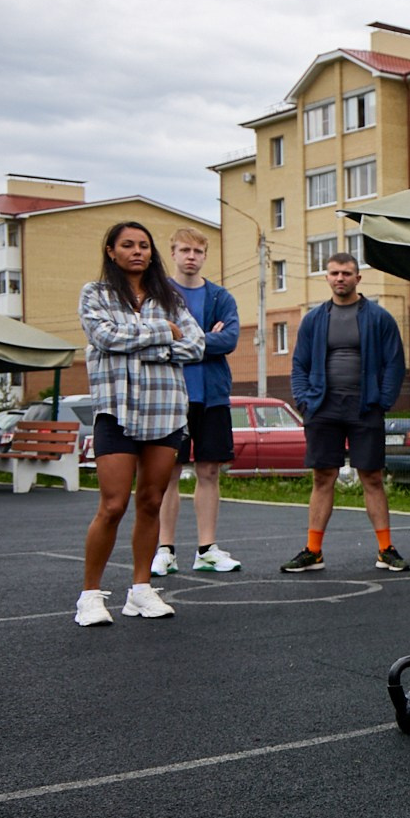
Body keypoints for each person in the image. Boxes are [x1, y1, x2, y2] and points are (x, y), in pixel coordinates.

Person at [74, 221, 205, 626]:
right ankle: (90, 597)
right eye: (127, 245)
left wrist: (154, 347)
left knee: (151, 501)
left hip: (166, 410)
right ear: (111, 251)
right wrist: (162, 332)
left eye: (144, 245)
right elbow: (104, 337)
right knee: (113, 505)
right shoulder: (94, 294)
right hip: (117, 410)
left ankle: (141, 590)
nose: (137, 251)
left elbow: (196, 344)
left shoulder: (170, 297)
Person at [282, 253, 409, 574]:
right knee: (323, 477)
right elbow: (299, 364)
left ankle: (385, 549)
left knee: (372, 477)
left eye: (347, 273)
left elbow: (395, 364)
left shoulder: (378, 318)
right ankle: (313, 551)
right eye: (335, 273)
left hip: (365, 408)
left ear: (358, 278)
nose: (340, 278)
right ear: (327, 278)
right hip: (322, 409)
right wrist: (304, 401)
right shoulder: (314, 319)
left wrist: (382, 401)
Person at [152, 227, 243, 577]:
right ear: (172, 253)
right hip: (171, 397)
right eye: (184, 250)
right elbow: (156, 341)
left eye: (197, 251)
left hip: (213, 396)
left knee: (208, 471)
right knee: (168, 473)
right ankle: (165, 550)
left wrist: (187, 339)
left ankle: (206, 549)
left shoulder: (221, 297)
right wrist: (206, 337)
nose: (191, 256)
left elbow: (231, 339)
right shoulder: (158, 295)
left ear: (205, 256)